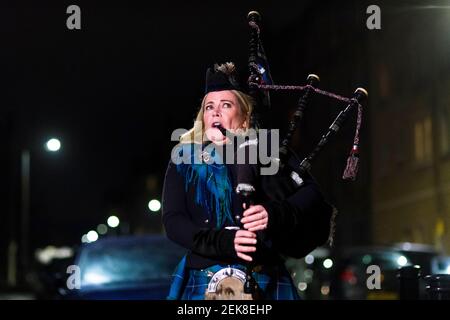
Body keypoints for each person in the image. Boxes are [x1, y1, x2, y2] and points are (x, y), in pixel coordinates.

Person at [162, 62, 334, 300]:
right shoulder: (183, 160)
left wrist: (274, 213)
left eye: (226, 105)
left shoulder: (268, 152)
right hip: (203, 279)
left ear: (244, 119)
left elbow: (312, 195)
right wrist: (223, 241)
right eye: (209, 106)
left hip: (264, 277)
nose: (215, 112)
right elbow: (173, 221)